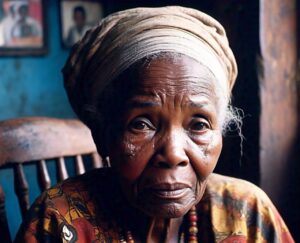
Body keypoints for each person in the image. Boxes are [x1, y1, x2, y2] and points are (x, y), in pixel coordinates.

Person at [15, 6, 294, 242]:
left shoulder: (249, 213)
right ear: (102, 134)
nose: (173, 154)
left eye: (198, 125)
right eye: (141, 125)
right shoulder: (59, 219)